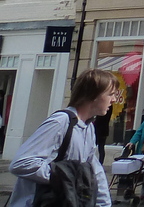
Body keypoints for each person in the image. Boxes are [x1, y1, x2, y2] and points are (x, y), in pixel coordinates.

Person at [8, 68, 118, 207]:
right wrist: (66, 178)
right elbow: (21, 163)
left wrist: (103, 204)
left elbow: (94, 172)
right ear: (93, 95)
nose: (114, 100)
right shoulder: (61, 122)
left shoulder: (88, 127)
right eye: (110, 94)